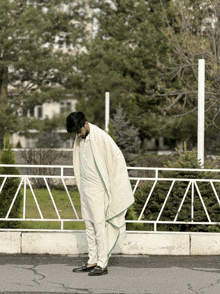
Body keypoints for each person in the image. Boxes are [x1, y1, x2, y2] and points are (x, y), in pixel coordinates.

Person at [66, 112, 134, 276]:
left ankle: (102, 264)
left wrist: (112, 187)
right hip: (85, 188)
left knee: (99, 225)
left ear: (85, 124)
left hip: (98, 189)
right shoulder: (80, 139)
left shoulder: (101, 137)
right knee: (89, 225)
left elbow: (117, 158)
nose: (78, 134)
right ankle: (92, 261)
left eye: (79, 131)